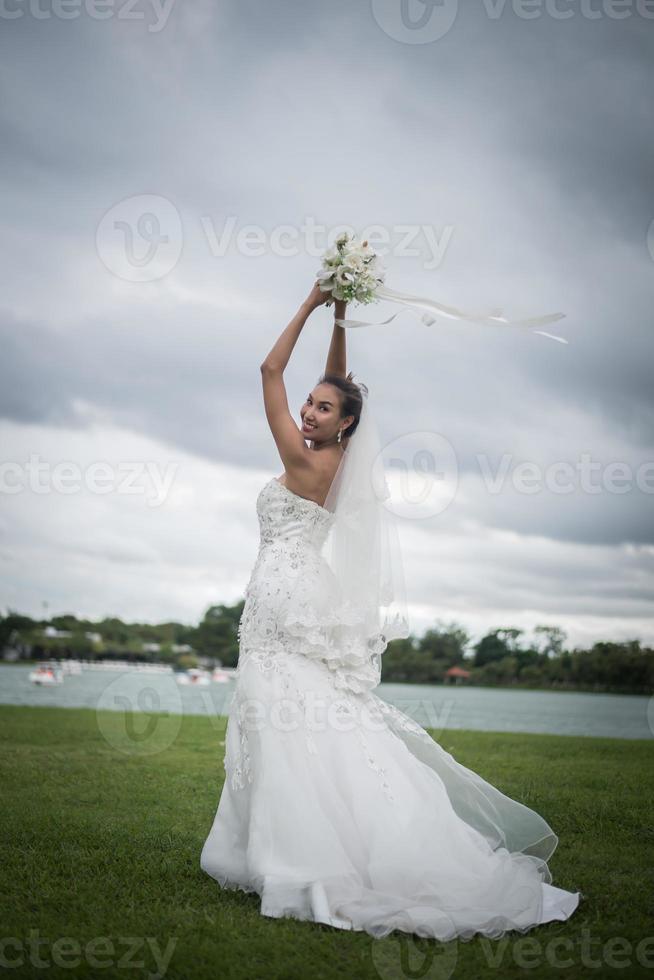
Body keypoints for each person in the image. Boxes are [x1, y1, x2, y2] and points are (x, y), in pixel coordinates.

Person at [200, 283, 583, 941]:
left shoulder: (300, 460)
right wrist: (341, 314)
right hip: (294, 603)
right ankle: (285, 850)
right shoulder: (340, 459)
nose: (309, 412)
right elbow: (340, 380)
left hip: (278, 611)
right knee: (306, 723)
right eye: (309, 405)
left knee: (281, 727)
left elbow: (268, 369)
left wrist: (310, 300)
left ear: (344, 423)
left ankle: (297, 861)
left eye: (322, 408)